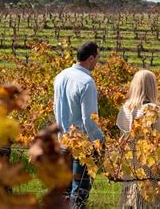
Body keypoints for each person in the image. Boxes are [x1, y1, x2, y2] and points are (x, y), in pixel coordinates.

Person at [54, 42, 104, 209]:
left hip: (63, 140)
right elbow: (89, 119)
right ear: (91, 58)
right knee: (79, 194)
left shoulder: (60, 76)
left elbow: (56, 109)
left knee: (64, 192)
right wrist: (99, 140)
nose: (97, 62)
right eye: (97, 58)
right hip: (81, 145)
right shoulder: (87, 82)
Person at [116, 70, 160, 209]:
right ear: (152, 87)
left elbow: (122, 137)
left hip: (131, 164)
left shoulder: (125, 109)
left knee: (131, 198)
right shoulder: (154, 110)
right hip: (150, 165)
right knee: (151, 200)